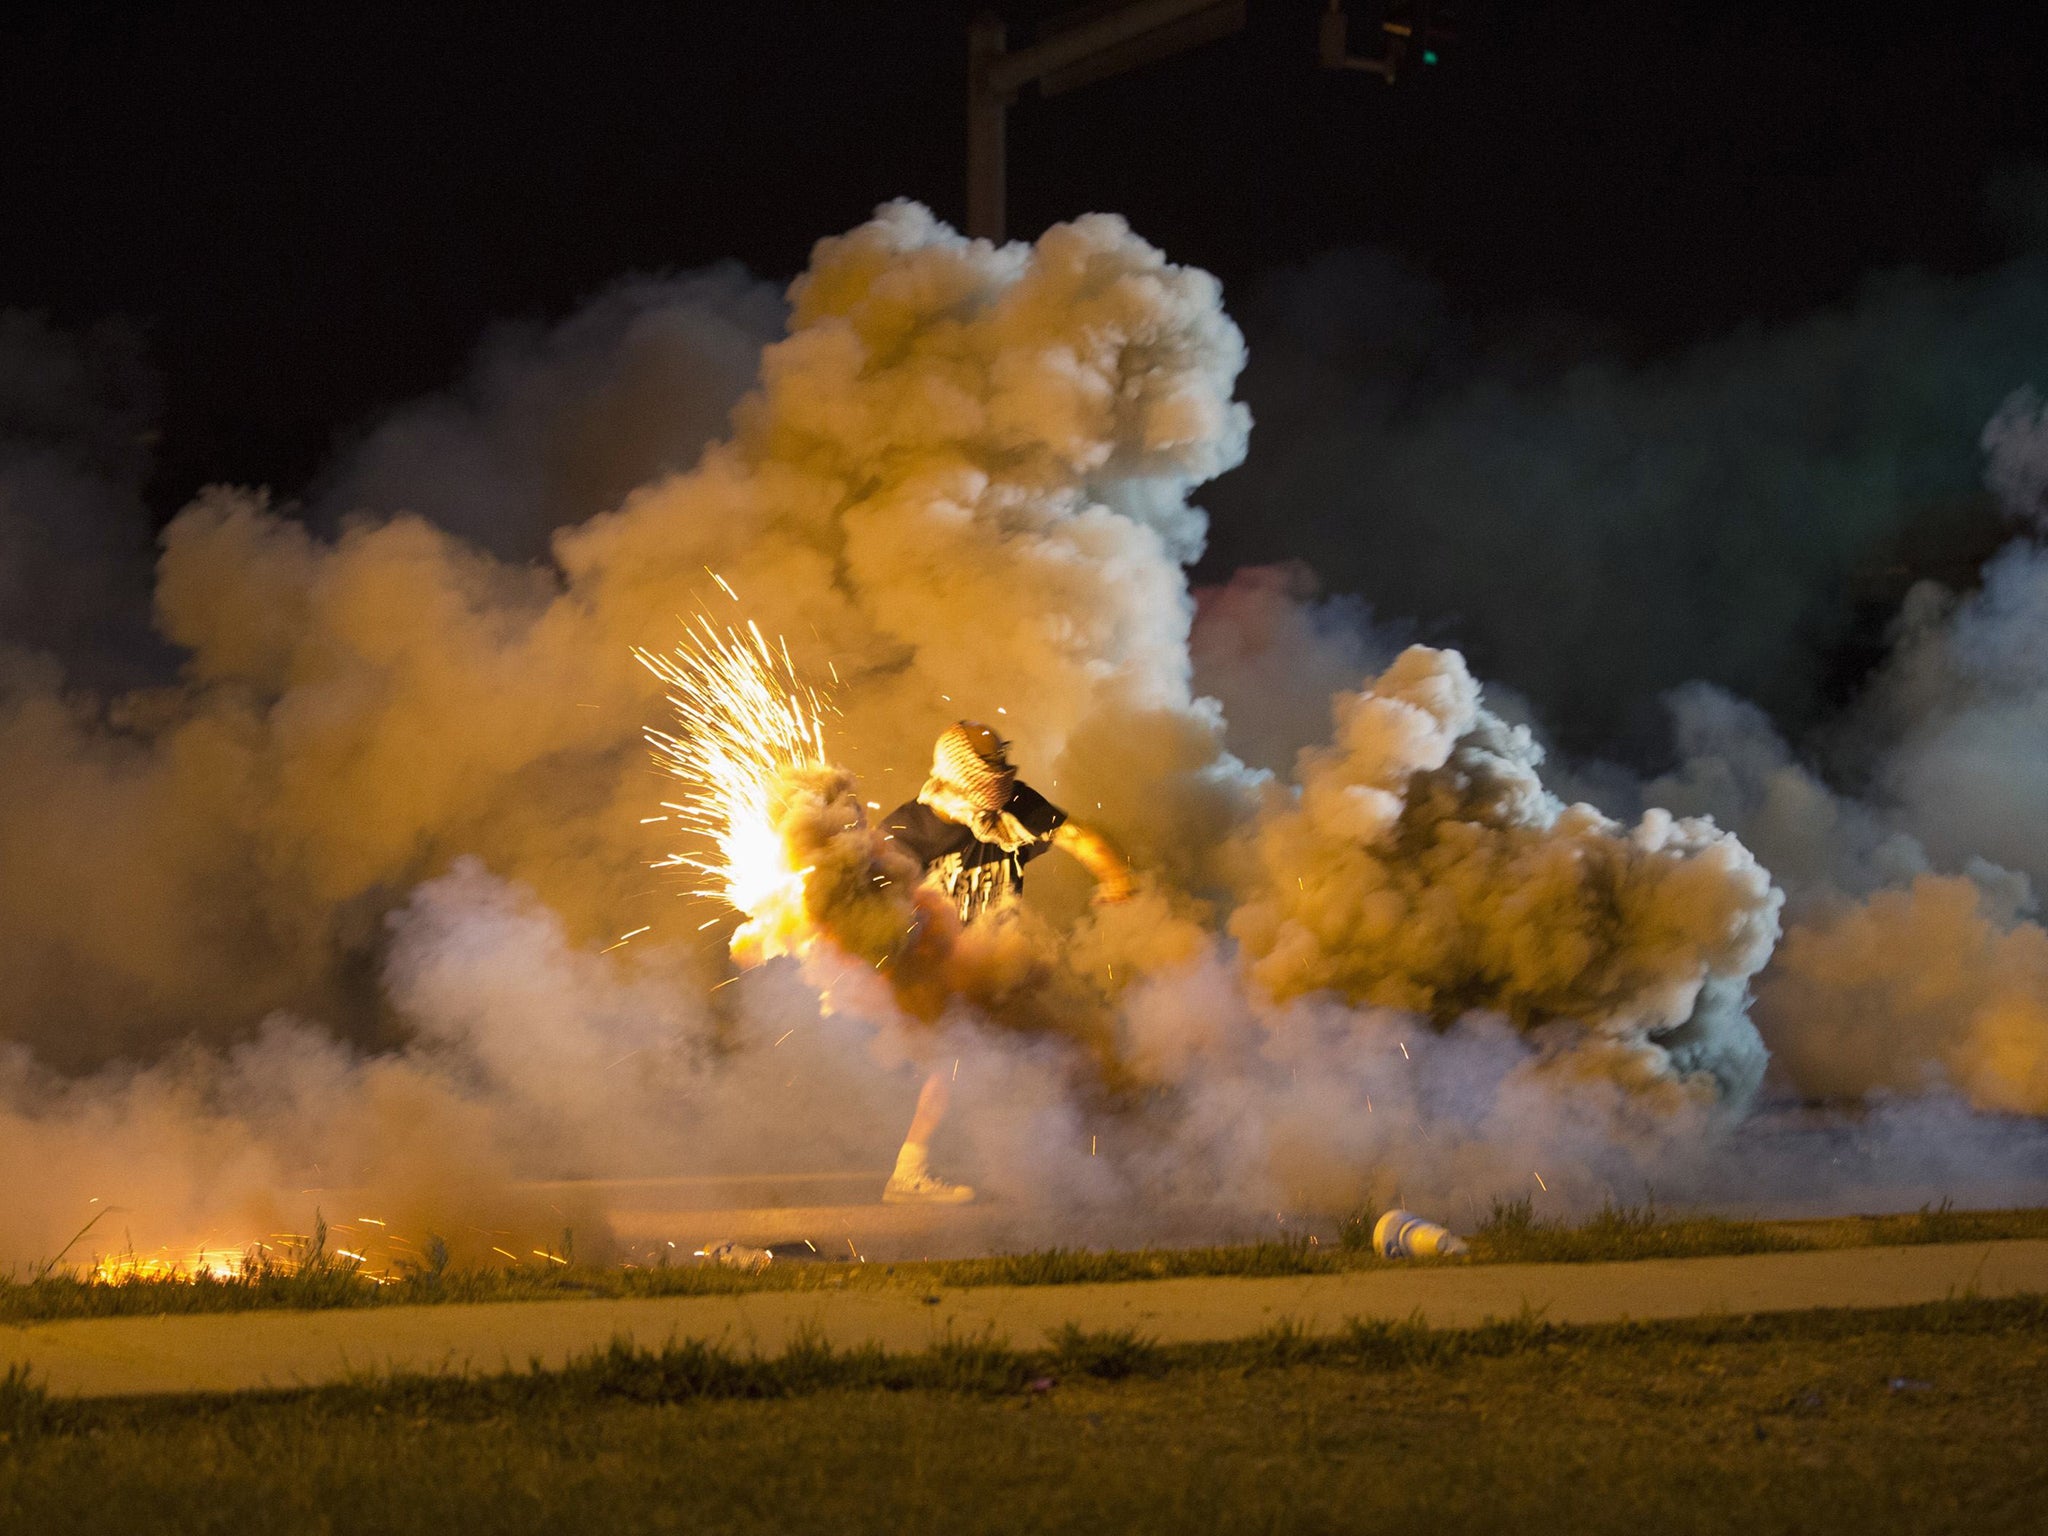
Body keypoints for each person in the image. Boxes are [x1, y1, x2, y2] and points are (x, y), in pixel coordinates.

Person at [875, 720, 1133, 1204]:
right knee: (955, 1059)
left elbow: (1078, 838)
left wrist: (1115, 877)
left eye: (1000, 767)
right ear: (955, 772)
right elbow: (869, 902)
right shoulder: (910, 829)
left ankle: (1074, 1167)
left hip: (1000, 959)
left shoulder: (1014, 809)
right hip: (941, 967)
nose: (997, 780)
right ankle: (908, 1174)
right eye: (984, 770)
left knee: (1059, 1046)